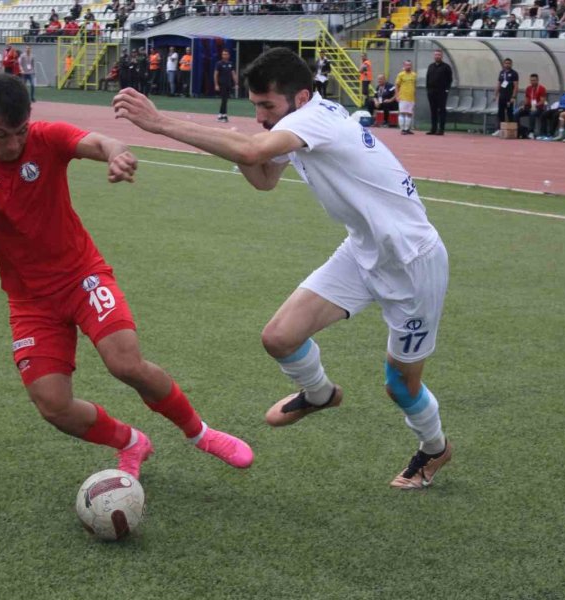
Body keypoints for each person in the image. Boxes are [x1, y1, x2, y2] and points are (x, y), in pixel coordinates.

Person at [113, 48, 453, 490]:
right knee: (279, 337)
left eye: (267, 106)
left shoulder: (314, 119)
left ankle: (435, 448)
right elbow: (263, 178)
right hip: (362, 251)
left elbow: (256, 150)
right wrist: (239, 148)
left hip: (413, 263)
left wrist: (158, 122)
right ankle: (320, 394)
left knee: (400, 386)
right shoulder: (297, 122)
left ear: (301, 97)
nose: (259, 116)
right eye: (254, 105)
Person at [0, 74, 253, 481]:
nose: (12, 144)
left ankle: (200, 434)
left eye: (20, 132)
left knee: (125, 363)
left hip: (82, 277)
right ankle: (130, 442)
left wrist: (118, 153)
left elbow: (100, 142)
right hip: (29, 301)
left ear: (30, 120)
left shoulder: (47, 138)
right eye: (1, 135)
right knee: (52, 405)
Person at [425, 49, 453, 136]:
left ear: (442, 56)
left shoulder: (446, 67)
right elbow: (428, 78)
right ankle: (433, 129)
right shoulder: (431, 66)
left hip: (442, 92)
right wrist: (428, 89)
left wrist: (447, 89)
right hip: (431, 92)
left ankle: (441, 129)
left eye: (439, 55)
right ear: (434, 56)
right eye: (436, 55)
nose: (437, 56)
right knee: (433, 110)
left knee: (441, 110)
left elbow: (450, 79)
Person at [492, 57, 519, 136]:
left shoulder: (514, 73)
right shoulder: (502, 73)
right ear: (504, 64)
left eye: (509, 63)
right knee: (500, 112)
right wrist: (495, 94)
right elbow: (499, 84)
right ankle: (500, 129)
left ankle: (511, 129)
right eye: (506, 63)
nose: (507, 65)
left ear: (511, 64)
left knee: (509, 112)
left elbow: (516, 86)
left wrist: (513, 97)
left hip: (509, 96)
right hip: (502, 96)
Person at [516, 73, 547, 139]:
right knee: (516, 114)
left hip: (538, 107)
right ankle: (521, 130)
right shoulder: (528, 88)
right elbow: (527, 99)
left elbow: (542, 101)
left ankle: (531, 132)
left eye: (534, 80)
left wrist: (535, 106)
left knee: (532, 113)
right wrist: (523, 106)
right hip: (529, 106)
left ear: (537, 80)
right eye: (531, 80)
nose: (532, 82)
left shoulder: (542, 88)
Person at [214, 48, 238, 123]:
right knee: (224, 99)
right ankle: (224, 115)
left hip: (228, 84)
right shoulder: (219, 63)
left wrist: (236, 83)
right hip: (222, 84)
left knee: (225, 100)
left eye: (226, 54)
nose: (224, 55)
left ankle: (220, 115)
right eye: (223, 54)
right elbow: (215, 74)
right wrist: (216, 84)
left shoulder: (231, 63)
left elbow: (233, 74)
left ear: (229, 55)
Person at [395, 59, 417, 135]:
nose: (408, 66)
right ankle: (402, 129)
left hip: (411, 97)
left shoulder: (414, 75)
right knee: (402, 113)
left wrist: (414, 95)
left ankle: (407, 129)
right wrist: (397, 95)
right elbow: (397, 86)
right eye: (407, 65)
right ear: (404, 66)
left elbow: (414, 85)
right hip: (403, 96)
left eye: (410, 65)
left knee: (409, 113)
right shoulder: (400, 74)